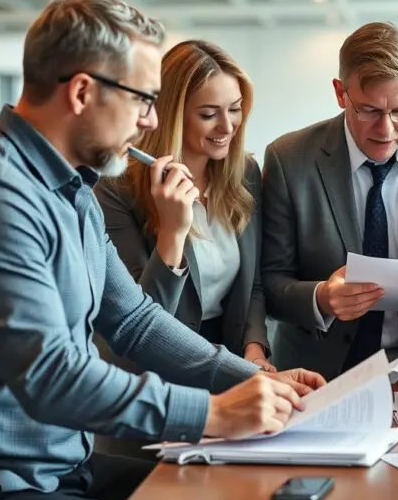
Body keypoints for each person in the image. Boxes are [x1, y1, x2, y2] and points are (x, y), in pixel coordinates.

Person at [0, 0, 324, 500]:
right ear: (83, 92)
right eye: (142, 100)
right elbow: (52, 376)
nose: (151, 122)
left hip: (59, 466)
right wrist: (215, 413)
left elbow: (135, 322)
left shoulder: (72, 189)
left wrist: (258, 380)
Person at [92, 39, 275, 459]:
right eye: (209, 113)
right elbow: (135, 322)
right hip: (156, 384)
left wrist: (254, 350)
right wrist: (173, 233)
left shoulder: (244, 173)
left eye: (234, 108)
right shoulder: (118, 190)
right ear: (173, 114)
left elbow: (255, 284)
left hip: (232, 369)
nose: (227, 126)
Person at [261, 21, 398, 380]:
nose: (387, 129)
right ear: (340, 93)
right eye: (369, 111)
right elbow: (269, 281)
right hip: (316, 375)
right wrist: (322, 298)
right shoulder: (288, 159)